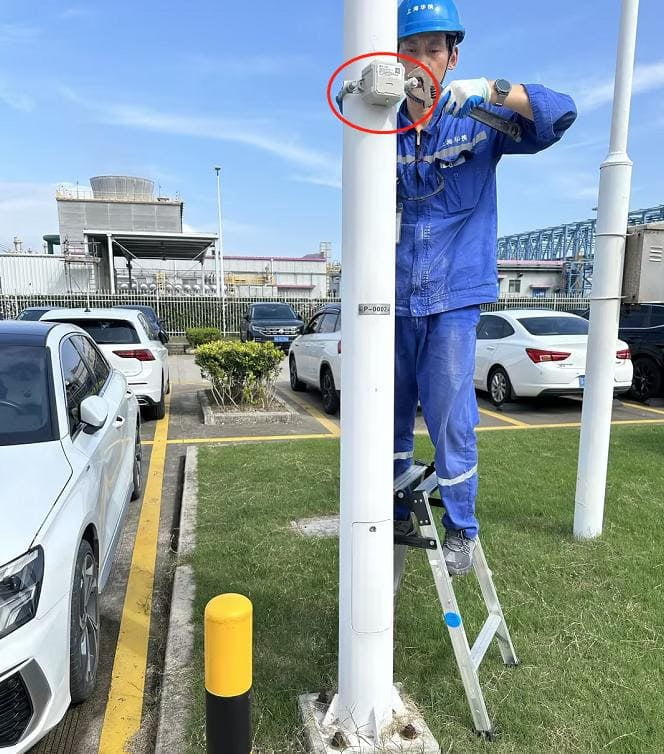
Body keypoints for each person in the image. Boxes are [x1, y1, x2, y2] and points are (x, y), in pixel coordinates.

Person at [393, 0, 577, 574]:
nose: (422, 60)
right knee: (387, 407)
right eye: (410, 48)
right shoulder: (380, 123)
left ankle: (461, 528)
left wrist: (492, 90)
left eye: (433, 49)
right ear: (392, 55)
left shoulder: (476, 117)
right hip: (392, 294)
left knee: (450, 412)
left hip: (454, 294)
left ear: (453, 57)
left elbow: (558, 115)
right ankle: (396, 504)